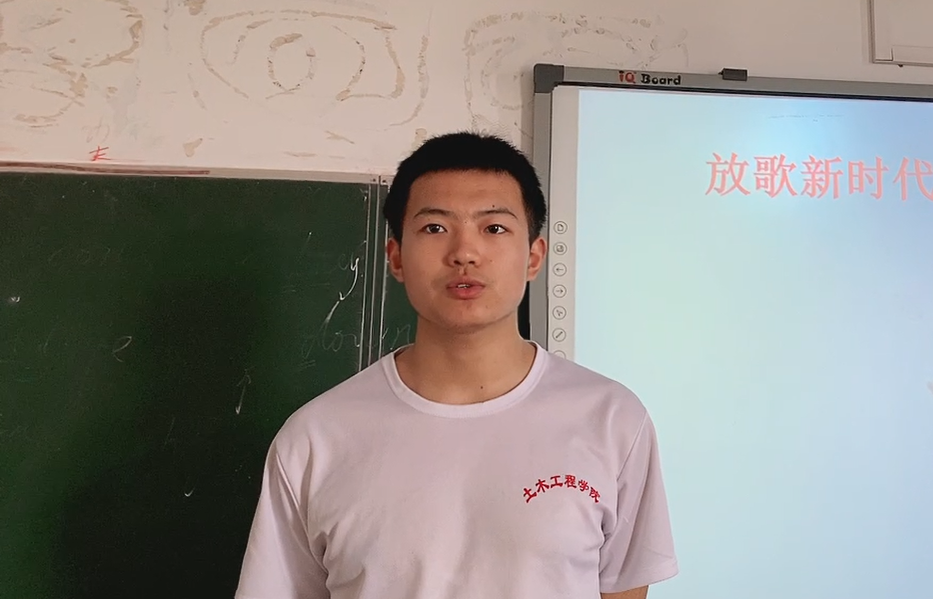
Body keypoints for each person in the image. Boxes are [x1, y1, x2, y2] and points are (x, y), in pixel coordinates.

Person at [235, 132, 678, 599]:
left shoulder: (611, 420)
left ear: (533, 257)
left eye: (494, 228)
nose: (465, 252)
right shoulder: (316, 438)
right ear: (396, 258)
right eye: (434, 228)